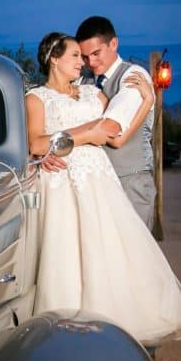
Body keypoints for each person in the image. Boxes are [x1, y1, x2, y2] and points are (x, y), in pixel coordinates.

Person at [27, 32, 181, 347]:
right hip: (62, 184)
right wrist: (87, 132)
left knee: (104, 251)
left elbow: (115, 136)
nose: (84, 62)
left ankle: (109, 332)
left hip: (98, 180)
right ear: (54, 58)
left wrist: (147, 101)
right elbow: (36, 143)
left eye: (84, 56)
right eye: (76, 55)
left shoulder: (93, 94)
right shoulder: (36, 98)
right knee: (64, 254)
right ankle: (64, 332)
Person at [43, 16, 157, 230]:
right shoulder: (81, 80)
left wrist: (56, 142)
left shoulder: (133, 76)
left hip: (128, 181)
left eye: (96, 53)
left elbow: (111, 131)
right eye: (85, 57)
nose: (91, 63)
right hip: (89, 184)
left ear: (113, 44)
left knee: (132, 256)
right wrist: (43, 150)